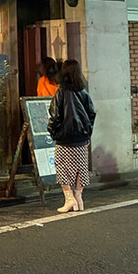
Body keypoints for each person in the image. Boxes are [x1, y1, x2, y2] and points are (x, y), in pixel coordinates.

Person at [47, 59, 96, 213]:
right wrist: (87, 133)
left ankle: (69, 199)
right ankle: (79, 197)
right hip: (81, 138)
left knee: (62, 166)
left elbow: (55, 116)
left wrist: (53, 131)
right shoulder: (83, 92)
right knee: (81, 167)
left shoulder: (61, 92)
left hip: (65, 139)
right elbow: (92, 113)